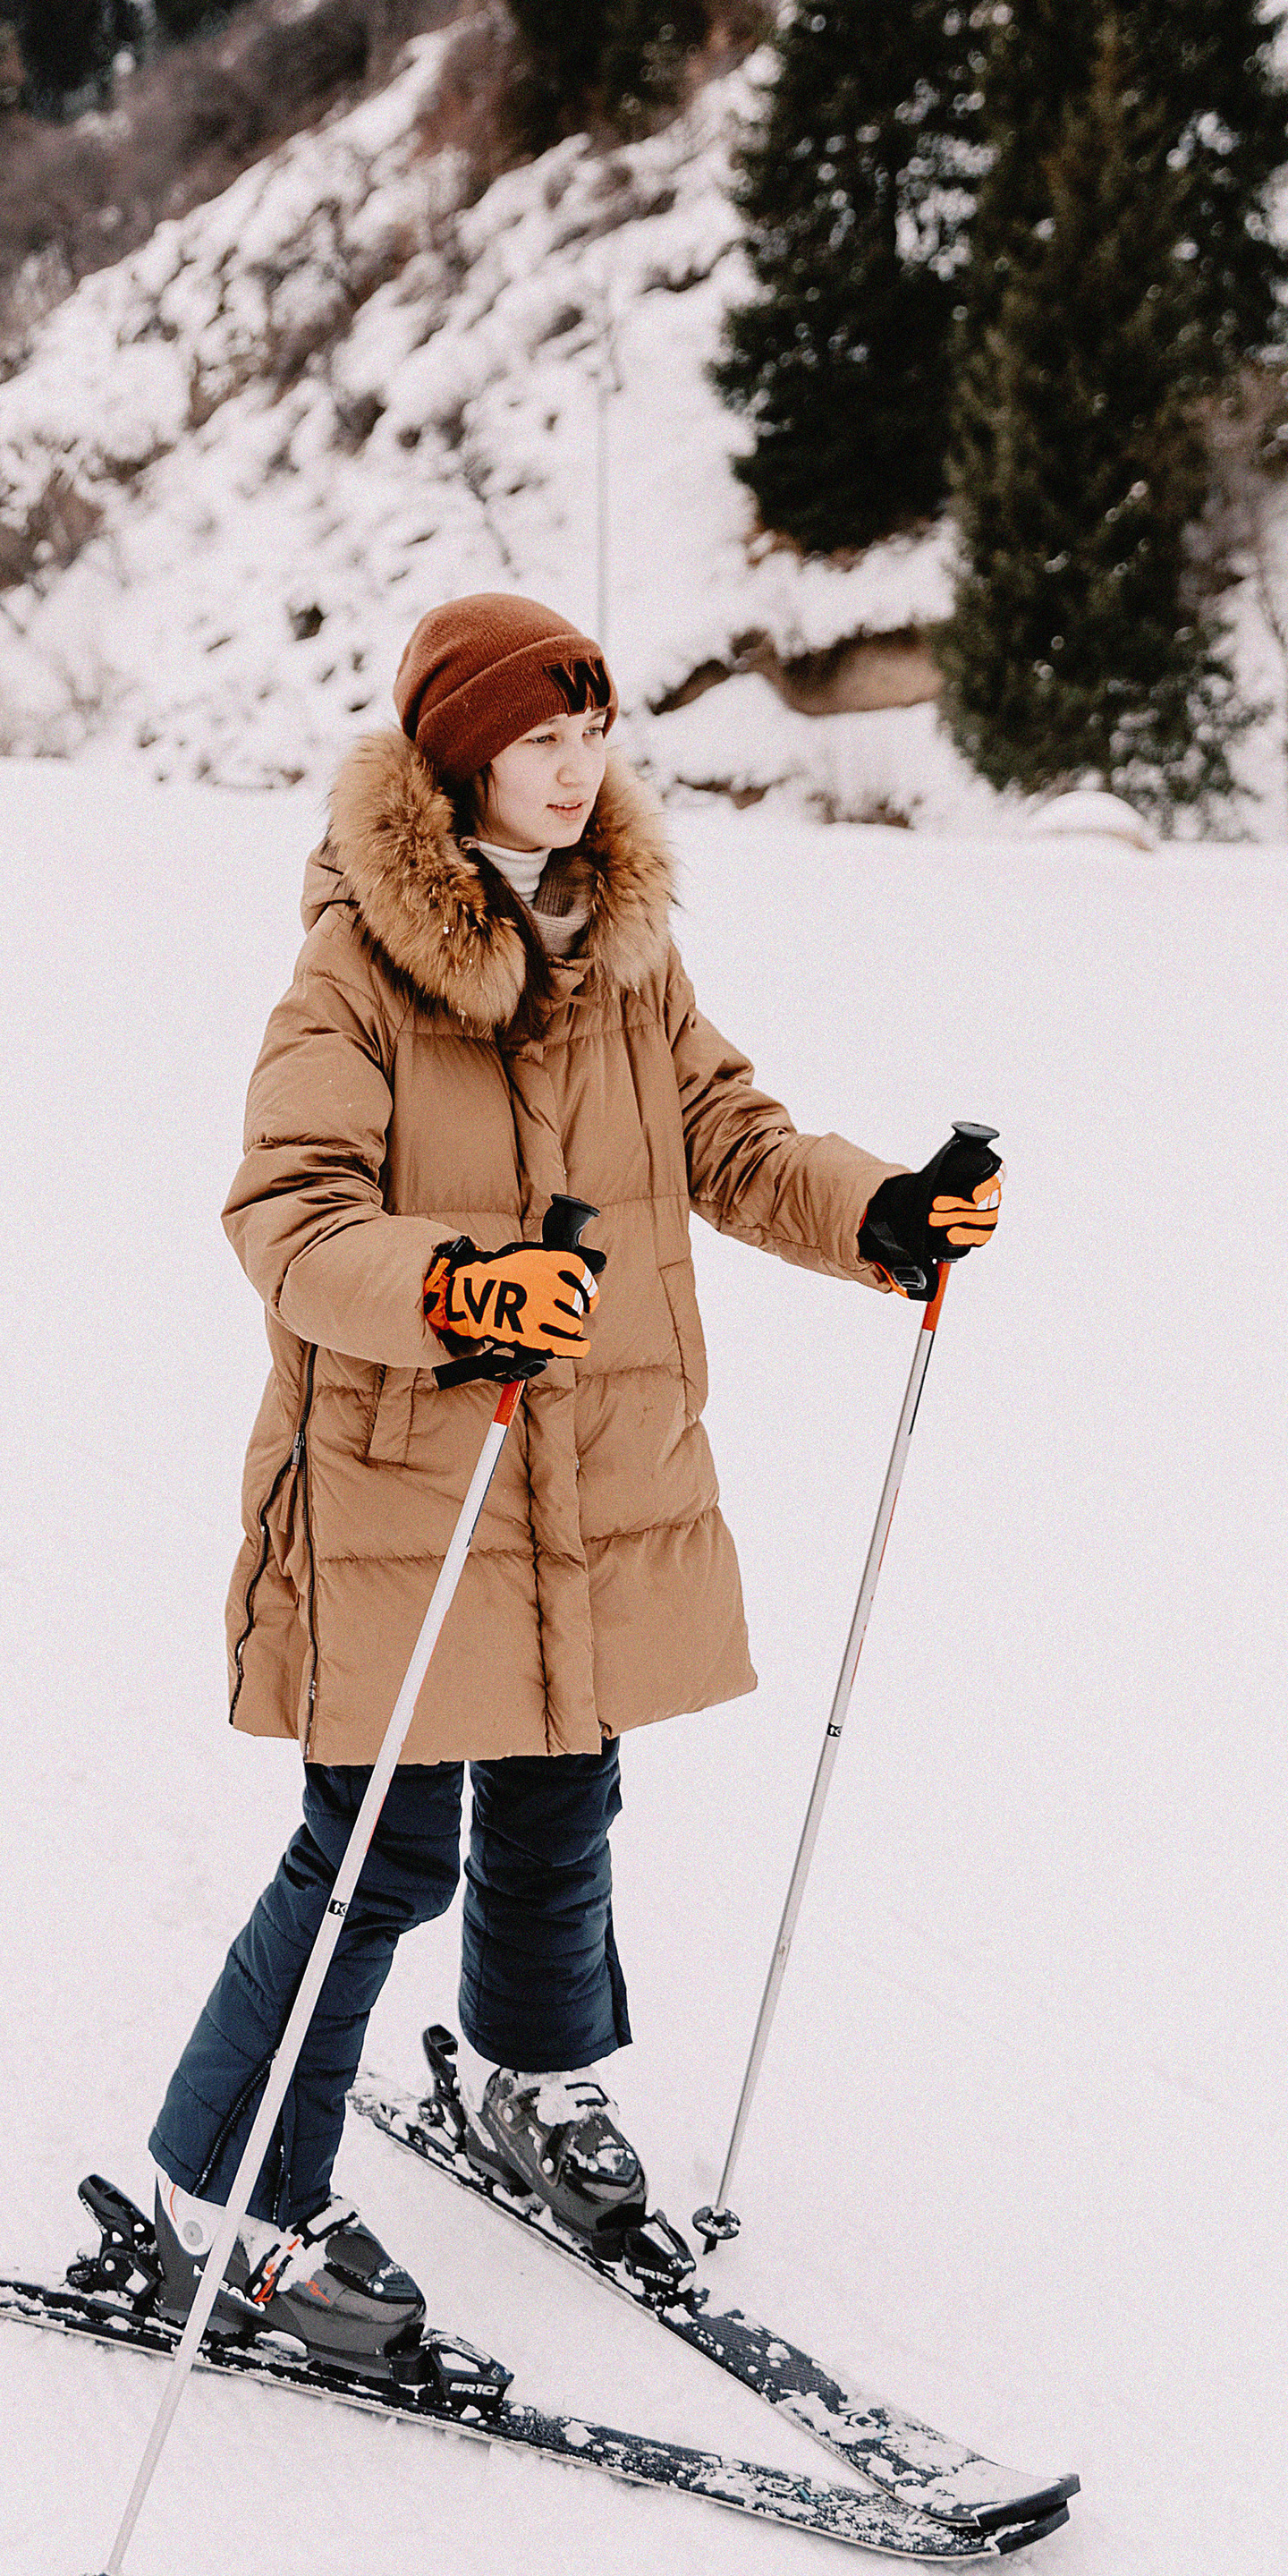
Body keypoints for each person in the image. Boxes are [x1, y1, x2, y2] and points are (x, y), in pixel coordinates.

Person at [148, 591, 1001, 2364]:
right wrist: (458, 1287)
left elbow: (724, 1138)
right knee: (375, 1855)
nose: (576, 769)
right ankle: (220, 2204)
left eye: (594, 734)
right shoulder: (353, 971)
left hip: (582, 1467)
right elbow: (287, 1217)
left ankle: (532, 2081)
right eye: (541, 738)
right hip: (408, 1483)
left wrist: (880, 1212)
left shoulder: (624, 949)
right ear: (463, 754)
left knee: (561, 1794)